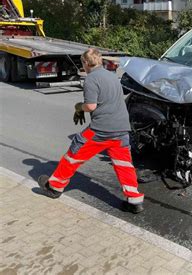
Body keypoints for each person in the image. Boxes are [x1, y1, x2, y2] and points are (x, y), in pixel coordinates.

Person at [37, 48, 144, 213]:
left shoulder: (91, 80)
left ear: (85, 63)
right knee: (124, 164)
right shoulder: (112, 76)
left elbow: (91, 106)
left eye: (83, 64)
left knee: (74, 153)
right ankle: (134, 200)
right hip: (121, 128)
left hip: (101, 130)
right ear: (100, 61)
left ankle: (55, 187)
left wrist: (79, 107)